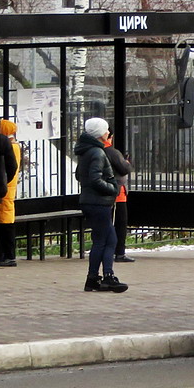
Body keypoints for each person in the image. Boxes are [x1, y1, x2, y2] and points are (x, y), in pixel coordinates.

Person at [74, 117, 128, 293]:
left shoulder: (85, 151)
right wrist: (113, 188)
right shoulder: (97, 152)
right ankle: (107, 277)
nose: (108, 133)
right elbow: (95, 179)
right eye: (106, 130)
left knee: (102, 239)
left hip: (89, 201)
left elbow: (79, 175)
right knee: (108, 239)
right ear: (100, 133)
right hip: (99, 202)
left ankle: (93, 278)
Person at [0, 120, 19, 268]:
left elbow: (8, 168)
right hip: (7, 188)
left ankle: (8, 255)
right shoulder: (13, 145)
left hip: (5, 189)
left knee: (5, 223)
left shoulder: (9, 146)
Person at [104, 135, 133, 263]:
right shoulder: (112, 152)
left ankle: (106, 251)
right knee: (120, 223)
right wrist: (126, 162)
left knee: (106, 223)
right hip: (117, 193)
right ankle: (119, 252)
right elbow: (124, 169)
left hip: (101, 194)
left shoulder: (91, 151)